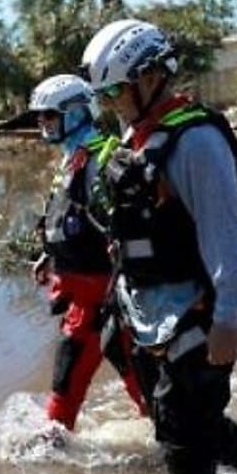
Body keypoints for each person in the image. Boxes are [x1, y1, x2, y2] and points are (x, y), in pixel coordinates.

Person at [79, 19, 237, 474]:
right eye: (103, 94)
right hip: (148, 312)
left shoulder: (195, 142)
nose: (110, 103)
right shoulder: (134, 137)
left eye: (115, 90)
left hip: (196, 313)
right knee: (184, 418)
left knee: (179, 432)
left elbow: (227, 237)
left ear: (150, 77)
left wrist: (228, 320)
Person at [28, 74, 146, 434]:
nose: (42, 123)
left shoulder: (101, 161)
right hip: (83, 302)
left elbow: (129, 232)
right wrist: (50, 256)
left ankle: (198, 456)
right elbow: (70, 218)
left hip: (110, 305)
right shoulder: (71, 160)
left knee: (147, 390)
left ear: (77, 113)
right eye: (40, 116)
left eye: (49, 115)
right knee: (70, 386)